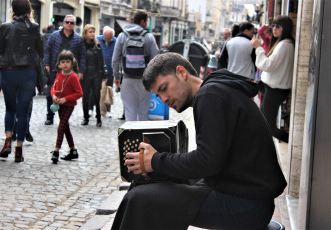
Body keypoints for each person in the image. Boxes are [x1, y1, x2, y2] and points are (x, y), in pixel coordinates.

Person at [111, 52, 287, 230]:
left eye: (164, 88)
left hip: (248, 204)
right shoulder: (215, 90)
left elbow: (207, 162)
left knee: (141, 198)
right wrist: (160, 165)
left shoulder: (210, 96)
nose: (164, 99)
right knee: (146, 184)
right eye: (158, 96)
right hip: (241, 190)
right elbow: (211, 158)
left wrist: (156, 160)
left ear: (181, 72)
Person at [0, 0, 43, 162]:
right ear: (29, 10)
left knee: (10, 109)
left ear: (13, 9)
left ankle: (8, 139)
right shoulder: (34, 27)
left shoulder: (6, 27)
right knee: (22, 113)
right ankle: (19, 150)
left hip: (8, 71)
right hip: (28, 73)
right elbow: (41, 52)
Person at [251, 15, 295, 143]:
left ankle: (293, 143)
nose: (274, 29)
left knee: (269, 126)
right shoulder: (283, 43)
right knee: (263, 120)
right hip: (272, 87)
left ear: (285, 28)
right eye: (273, 26)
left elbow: (268, 65)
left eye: (278, 26)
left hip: (275, 90)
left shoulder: (284, 45)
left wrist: (258, 48)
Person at [112, 10, 159, 121]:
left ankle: (131, 137)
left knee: (129, 112)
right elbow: (156, 59)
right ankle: (142, 137)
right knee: (143, 112)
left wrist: (117, 76)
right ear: (142, 21)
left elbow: (115, 59)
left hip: (127, 79)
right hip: (144, 80)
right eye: (146, 22)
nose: (146, 24)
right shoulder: (149, 37)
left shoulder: (122, 36)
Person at [44, 14, 86, 125]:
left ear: (74, 25)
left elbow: (82, 56)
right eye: (67, 22)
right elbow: (47, 50)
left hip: (70, 72)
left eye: (71, 23)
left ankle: (64, 117)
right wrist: (46, 64)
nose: (69, 24)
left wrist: (81, 71)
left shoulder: (78, 39)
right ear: (63, 23)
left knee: (67, 95)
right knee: (50, 93)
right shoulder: (54, 36)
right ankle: (50, 115)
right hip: (54, 69)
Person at [50, 50, 83, 164]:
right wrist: (53, 95)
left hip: (68, 105)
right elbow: (53, 87)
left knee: (61, 127)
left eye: (67, 62)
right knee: (66, 128)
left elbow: (79, 93)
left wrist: (66, 98)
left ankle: (56, 152)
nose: (65, 64)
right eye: (63, 62)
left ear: (72, 63)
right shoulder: (59, 74)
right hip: (59, 104)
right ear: (59, 63)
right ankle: (73, 151)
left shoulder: (73, 77)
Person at [80, 24, 106, 127]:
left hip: (96, 73)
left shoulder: (97, 44)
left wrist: (104, 73)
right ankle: (85, 117)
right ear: (85, 33)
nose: (92, 34)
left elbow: (101, 59)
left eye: (93, 32)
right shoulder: (81, 45)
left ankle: (98, 118)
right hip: (85, 74)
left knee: (96, 96)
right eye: (90, 32)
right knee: (85, 96)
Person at [96, 26, 117, 118]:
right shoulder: (97, 40)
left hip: (110, 70)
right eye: (106, 37)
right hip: (98, 70)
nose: (108, 39)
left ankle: (107, 109)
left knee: (109, 91)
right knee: (96, 91)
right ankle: (95, 108)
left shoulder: (116, 41)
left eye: (110, 37)